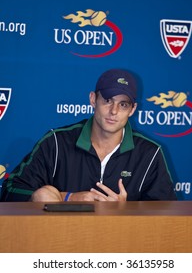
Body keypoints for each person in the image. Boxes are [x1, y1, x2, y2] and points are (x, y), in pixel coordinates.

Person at [1, 69, 177, 202]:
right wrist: (66, 198)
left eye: (123, 104)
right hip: (60, 245)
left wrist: (127, 210)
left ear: (132, 110)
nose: (114, 111)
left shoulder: (150, 154)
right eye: (107, 100)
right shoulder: (56, 143)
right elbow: (10, 191)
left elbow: (167, 212)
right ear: (93, 99)